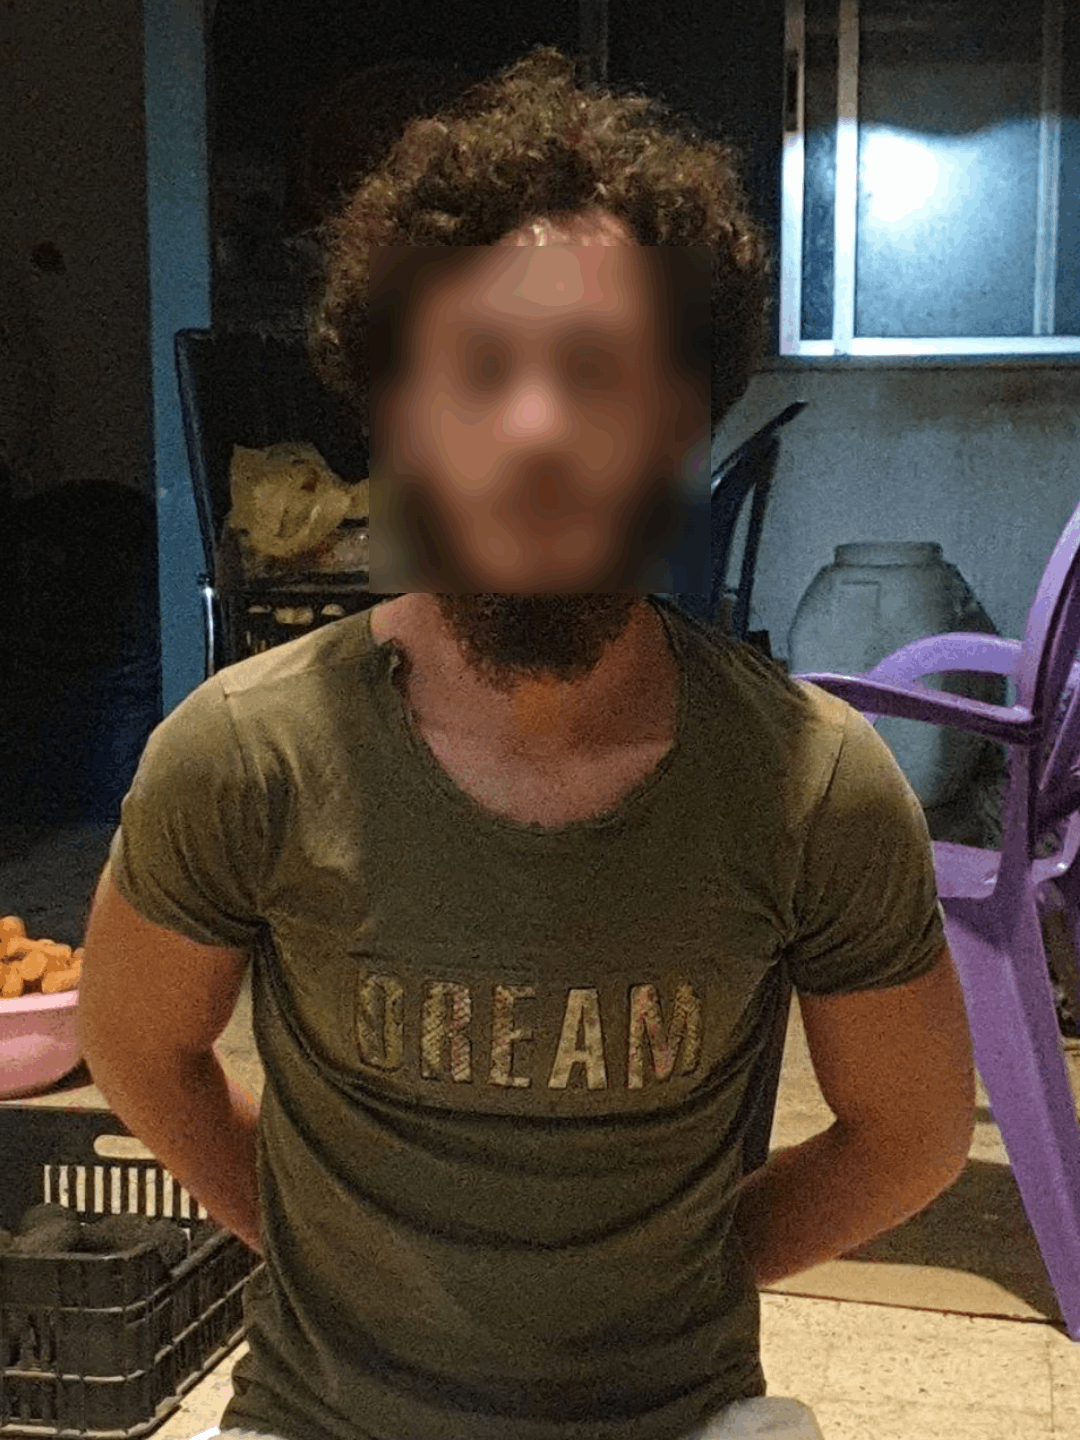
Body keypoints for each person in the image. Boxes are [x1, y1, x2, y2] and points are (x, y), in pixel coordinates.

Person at [79, 45, 976, 1440]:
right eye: (481, 369)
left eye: (596, 372)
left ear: (678, 418)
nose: (539, 425)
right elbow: (136, 1048)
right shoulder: (242, 758)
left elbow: (912, 1134)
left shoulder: (812, 783)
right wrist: (314, 1254)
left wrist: (690, 1284)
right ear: (399, 416)